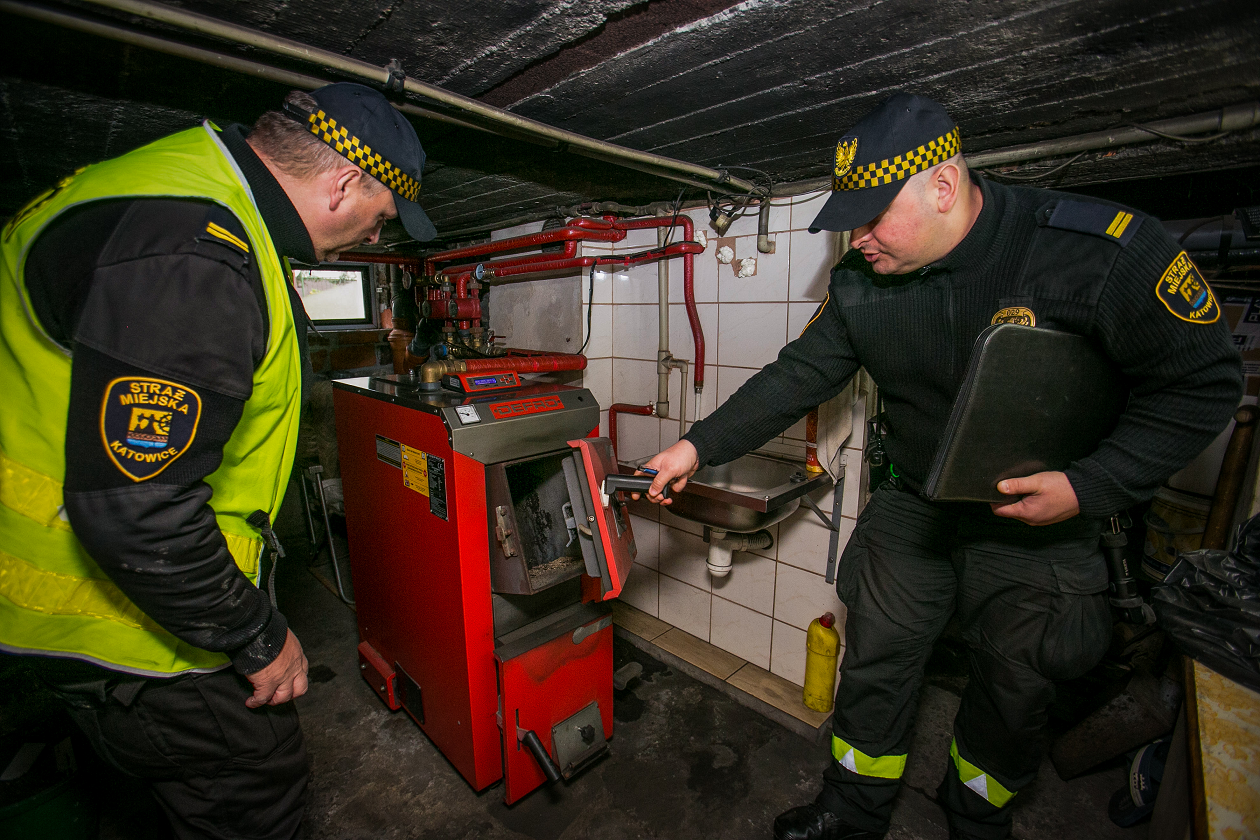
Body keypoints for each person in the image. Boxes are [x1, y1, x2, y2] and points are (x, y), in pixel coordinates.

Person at [636, 93, 1242, 840]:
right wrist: (697, 445)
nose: (856, 241)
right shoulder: (863, 280)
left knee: (1014, 693)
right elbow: (798, 374)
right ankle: (850, 811)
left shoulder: (1101, 252)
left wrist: (1091, 486)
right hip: (912, 506)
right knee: (874, 671)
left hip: (1041, 527)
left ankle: (975, 822)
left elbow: (1204, 382)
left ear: (944, 187)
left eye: (871, 218)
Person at [0, 82, 436, 838]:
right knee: (255, 796)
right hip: (136, 626)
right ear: (343, 183)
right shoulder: (195, 248)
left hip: (84, 608)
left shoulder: (168, 183)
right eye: (380, 216)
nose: (373, 237)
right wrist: (257, 635)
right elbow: (139, 506)